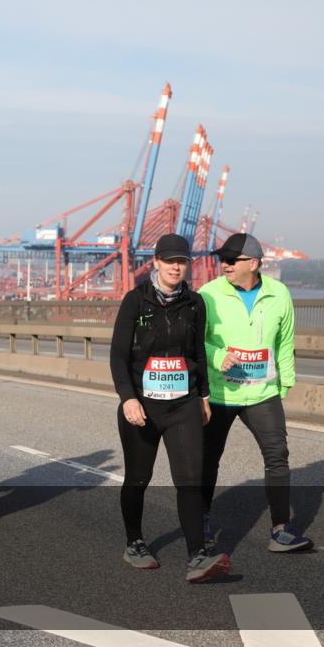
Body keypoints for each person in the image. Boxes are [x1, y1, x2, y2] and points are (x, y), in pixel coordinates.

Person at [110, 234, 232, 583]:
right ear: (157, 262)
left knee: (190, 480)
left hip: (184, 405)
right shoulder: (136, 301)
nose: (177, 267)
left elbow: (198, 353)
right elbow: (118, 355)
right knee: (138, 479)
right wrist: (127, 398)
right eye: (170, 261)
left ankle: (198, 556)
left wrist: (204, 396)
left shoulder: (195, 304)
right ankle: (134, 542)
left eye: (183, 261)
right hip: (143, 407)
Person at [199, 233, 312, 553]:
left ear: (253, 263)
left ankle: (281, 530)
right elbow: (193, 341)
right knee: (208, 461)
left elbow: (285, 342)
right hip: (220, 393)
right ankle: (202, 523)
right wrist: (219, 357)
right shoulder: (208, 294)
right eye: (221, 259)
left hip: (263, 393)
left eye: (231, 260)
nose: (224, 265)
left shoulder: (279, 293)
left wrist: (286, 383)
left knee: (277, 457)